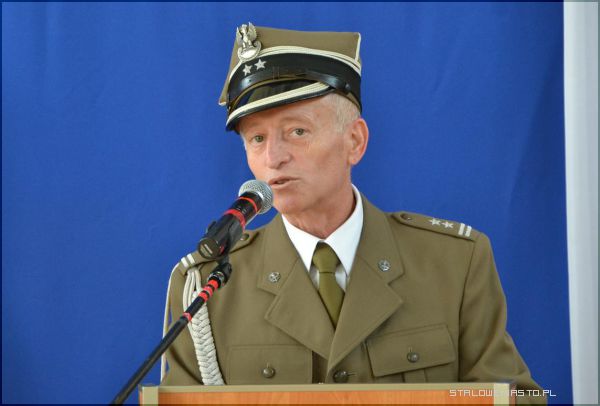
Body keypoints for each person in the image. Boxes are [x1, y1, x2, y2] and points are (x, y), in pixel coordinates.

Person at [161, 23, 545, 404]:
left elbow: (519, 398)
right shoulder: (206, 287)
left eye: (297, 131)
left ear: (355, 141)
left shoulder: (454, 263)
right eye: (257, 138)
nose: (273, 158)